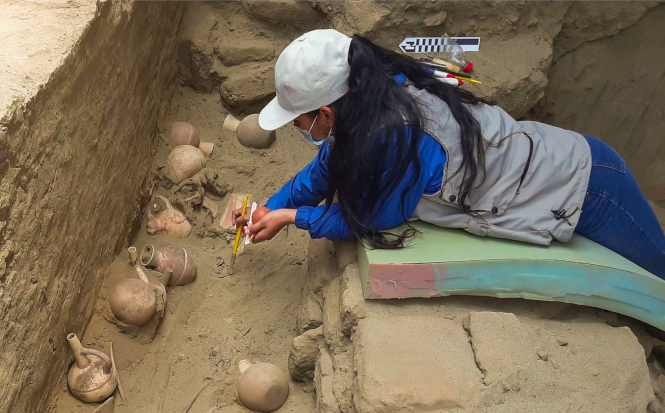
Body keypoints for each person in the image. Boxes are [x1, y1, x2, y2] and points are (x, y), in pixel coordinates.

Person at [233, 29, 665, 280]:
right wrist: (270, 207)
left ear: (326, 112)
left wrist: (293, 218)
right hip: (560, 166)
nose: (295, 127)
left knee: (659, 276)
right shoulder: (368, 95)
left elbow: (375, 219)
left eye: (297, 119)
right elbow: (327, 167)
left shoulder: (396, 135)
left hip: (588, 186)